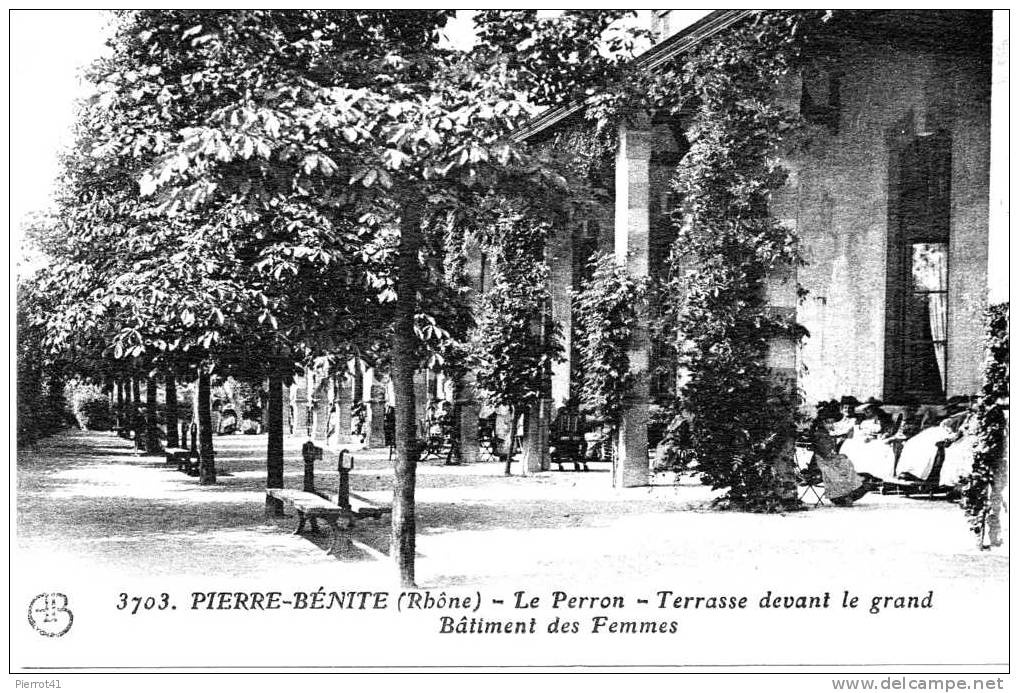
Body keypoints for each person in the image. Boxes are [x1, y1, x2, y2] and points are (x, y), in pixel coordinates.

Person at [839, 398, 897, 480]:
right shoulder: (861, 419)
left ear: (874, 408)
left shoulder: (883, 419)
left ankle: (872, 475)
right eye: (865, 409)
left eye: (868, 409)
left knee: (877, 450)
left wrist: (883, 435)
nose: (866, 411)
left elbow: (888, 431)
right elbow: (857, 431)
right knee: (849, 446)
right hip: (862, 440)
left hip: (877, 441)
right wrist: (862, 436)